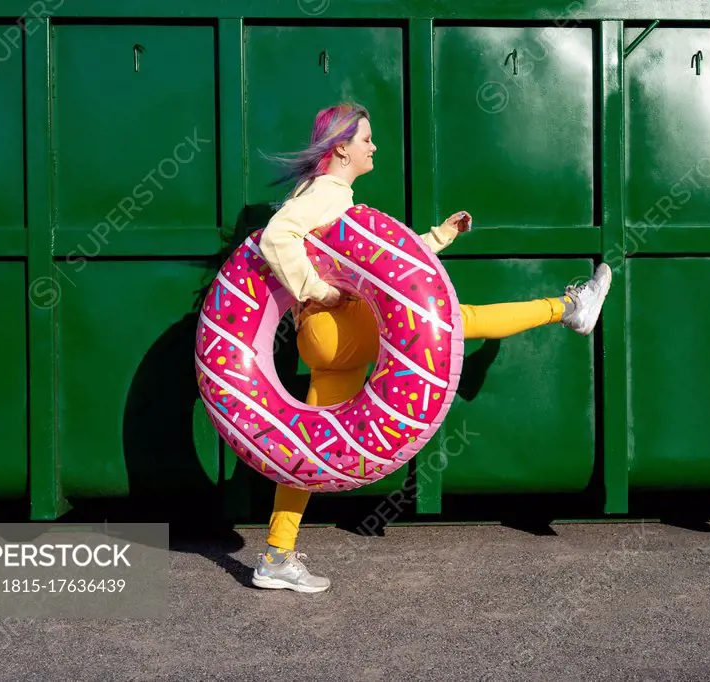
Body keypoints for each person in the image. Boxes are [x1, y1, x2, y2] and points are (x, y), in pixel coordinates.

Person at [250, 102, 611, 593]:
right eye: (366, 140)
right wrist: (316, 287)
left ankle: (276, 554)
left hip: (326, 340)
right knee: (456, 320)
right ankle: (568, 307)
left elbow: (389, 265)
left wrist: (439, 237)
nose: (373, 146)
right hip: (335, 325)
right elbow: (277, 237)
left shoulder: (324, 194)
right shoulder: (327, 193)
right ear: (341, 149)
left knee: (307, 448)